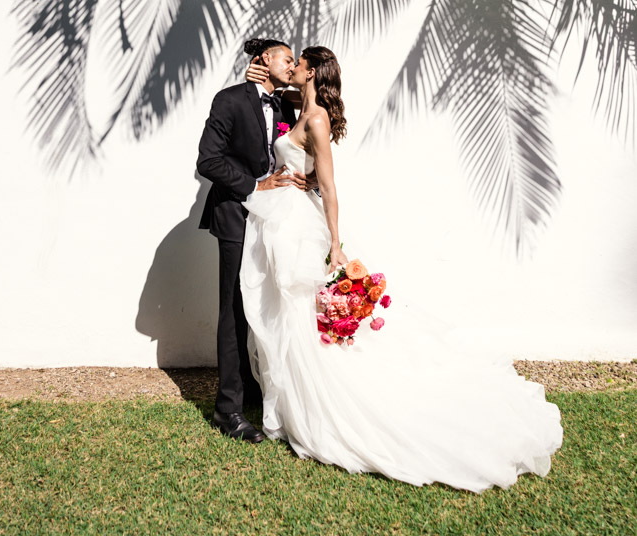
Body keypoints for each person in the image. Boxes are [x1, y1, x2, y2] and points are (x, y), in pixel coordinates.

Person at [239, 45, 564, 492]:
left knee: (301, 314)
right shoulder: (302, 106)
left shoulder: (314, 118)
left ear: (311, 71)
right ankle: (292, 400)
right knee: (287, 312)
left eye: (298, 63)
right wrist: (259, 81)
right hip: (285, 216)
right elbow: (289, 127)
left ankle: (322, 407)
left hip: (301, 224)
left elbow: (331, 188)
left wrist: (335, 246)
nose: (291, 66)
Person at [197, 37, 314, 443]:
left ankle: (250, 389)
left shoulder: (284, 104)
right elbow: (207, 160)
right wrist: (254, 185)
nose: (294, 63)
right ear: (264, 59)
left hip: (274, 222)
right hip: (234, 216)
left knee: (263, 302)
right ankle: (226, 409)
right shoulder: (228, 100)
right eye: (287, 58)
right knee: (233, 307)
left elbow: (317, 109)